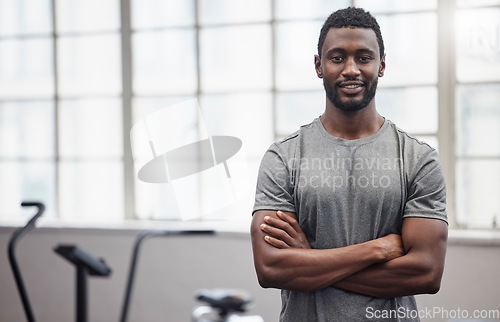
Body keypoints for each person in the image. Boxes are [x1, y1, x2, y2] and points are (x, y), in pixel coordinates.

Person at [250, 7, 448, 322]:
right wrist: (377, 250)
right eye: (338, 57)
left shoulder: (418, 159)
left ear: (382, 65)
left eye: (364, 58)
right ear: (319, 65)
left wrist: (308, 260)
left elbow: (426, 273)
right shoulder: (283, 158)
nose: (351, 69)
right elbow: (271, 268)